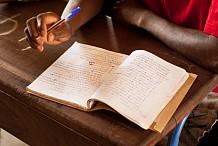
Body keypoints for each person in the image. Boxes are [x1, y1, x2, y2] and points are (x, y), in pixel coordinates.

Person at [24, 0, 218, 144]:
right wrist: (67, 23)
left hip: (204, 90)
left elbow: (214, 54)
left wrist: (144, 19)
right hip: (139, 62)